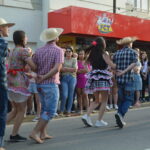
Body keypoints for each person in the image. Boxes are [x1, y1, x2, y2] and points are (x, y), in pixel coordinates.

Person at [29, 28, 64, 144]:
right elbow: (57, 69)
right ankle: (35, 132)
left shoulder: (38, 50)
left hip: (39, 84)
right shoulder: (58, 50)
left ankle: (43, 133)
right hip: (50, 83)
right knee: (50, 111)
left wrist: (39, 76)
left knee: (44, 109)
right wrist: (44, 77)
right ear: (55, 38)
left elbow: (33, 67)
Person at [81, 37, 116, 127]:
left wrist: (89, 72)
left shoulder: (92, 54)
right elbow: (112, 65)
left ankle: (86, 115)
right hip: (103, 78)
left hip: (94, 77)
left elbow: (84, 64)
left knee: (96, 100)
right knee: (104, 101)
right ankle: (99, 121)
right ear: (103, 44)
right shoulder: (104, 54)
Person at [7, 30, 33, 142]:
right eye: (26, 37)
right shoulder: (23, 51)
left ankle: (13, 133)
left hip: (10, 81)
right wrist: (31, 55)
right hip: (19, 82)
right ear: (22, 39)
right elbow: (33, 66)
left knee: (15, 110)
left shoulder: (12, 51)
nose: (27, 39)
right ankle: (14, 134)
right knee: (22, 110)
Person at [113, 36, 138, 128]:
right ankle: (120, 114)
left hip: (119, 80)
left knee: (121, 100)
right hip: (128, 79)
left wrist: (117, 72)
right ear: (130, 43)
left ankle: (119, 118)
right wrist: (124, 71)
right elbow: (134, 64)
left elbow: (112, 66)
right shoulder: (133, 52)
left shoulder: (117, 53)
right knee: (129, 99)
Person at [0, 18, 15, 150]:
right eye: (6, 27)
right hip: (1, 83)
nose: (8, 29)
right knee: (2, 112)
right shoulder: (2, 43)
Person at [60, 47, 77, 117]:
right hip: (64, 78)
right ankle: (61, 110)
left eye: (70, 51)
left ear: (72, 52)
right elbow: (60, 69)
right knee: (64, 95)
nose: (68, 52)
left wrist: (66, 69)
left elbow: (75, 69)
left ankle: (68, 111)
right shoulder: (62, 59)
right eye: (67, 51)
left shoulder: (74, 59)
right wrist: (69, 69)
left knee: (71, 95)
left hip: (72, 78)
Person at [76, 50, 90, 114]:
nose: (81, 55)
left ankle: (87, 108)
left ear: (84, 55)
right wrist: (82, 71)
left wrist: (81, 71)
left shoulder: (86, 62)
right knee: (79, 95)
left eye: (82, 54)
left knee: (85, 94)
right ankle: (80, 109)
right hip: (78, 79)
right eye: (80, 54)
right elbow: (76, 71)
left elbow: (88, 70)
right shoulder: (76, 62)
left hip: (85, 79)